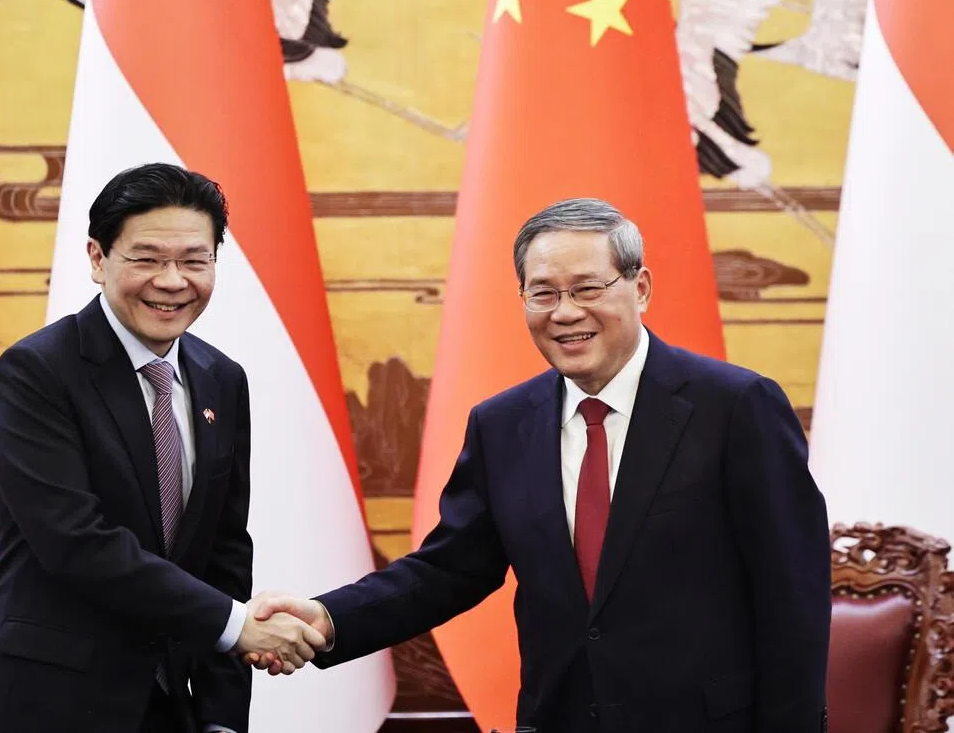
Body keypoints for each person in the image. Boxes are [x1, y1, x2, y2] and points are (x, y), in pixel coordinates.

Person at [250, 198, 832, 732]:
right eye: (544, 293)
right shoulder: (503, 424)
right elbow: (449, 570)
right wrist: (328, 618)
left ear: (641, 287)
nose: (565, 312)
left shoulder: (735, 407)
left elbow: (793, 597)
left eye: (587, 288)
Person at [0, 163, 324, 733]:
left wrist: (222, 717)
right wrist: (239, 626)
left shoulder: (221, 379)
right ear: (97, 258)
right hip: (44, 702)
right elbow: (76, 542)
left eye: (195, 260)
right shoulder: (38, 371)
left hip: (169, 706)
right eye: (147, 258)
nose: (171, 281)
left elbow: (224, 556)